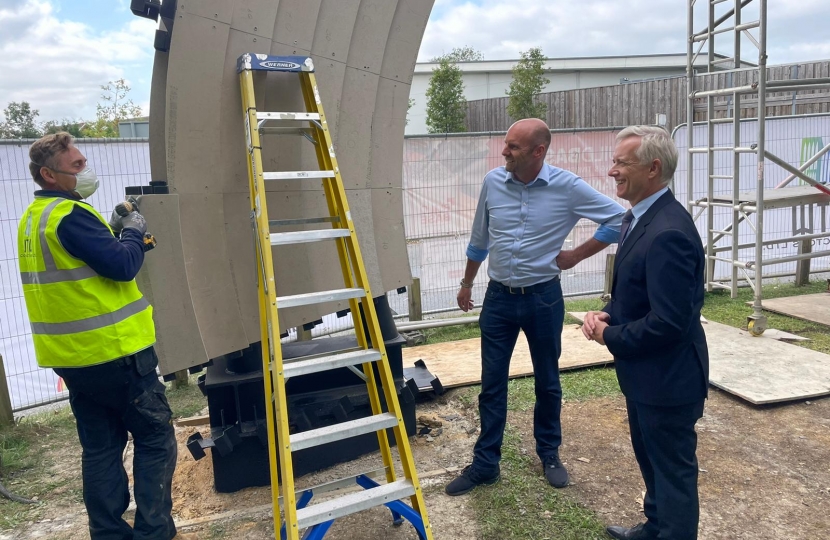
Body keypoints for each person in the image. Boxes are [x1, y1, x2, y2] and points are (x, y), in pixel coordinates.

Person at [445, 118, 626, 496]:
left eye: (513, 146)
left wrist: (575, 256)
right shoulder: (494, 182)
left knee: (548, 381)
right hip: (498, 299)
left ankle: (550, 454)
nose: (504, 152)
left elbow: (620, 219)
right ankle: (485, 464)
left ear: (538, 151)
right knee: (492, 385)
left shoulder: (567, 187)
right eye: (506, 144)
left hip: (544, 299)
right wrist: (467, 282)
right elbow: (480, 239)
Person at [17, 133, 178, 540]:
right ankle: (153, 532)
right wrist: (134, 232)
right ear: (48, 174)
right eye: (76, 166)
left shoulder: (35, 218)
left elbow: (82, 267)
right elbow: (123, 266)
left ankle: (107, 533)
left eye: (83, 162)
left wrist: (110, 230)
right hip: (117, 353)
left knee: (102, 447)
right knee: (154, 436)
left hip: (74, 360)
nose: (84, 171)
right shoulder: (71, 215)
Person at [582, 125, 709, 540]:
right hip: (647, 376)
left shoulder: (668, 230)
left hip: (669, 380)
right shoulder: (639, 217)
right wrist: (606, 315)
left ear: (653, 168)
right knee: (651, 459)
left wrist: (609, 337)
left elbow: (669, 322)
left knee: (672, 471)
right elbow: (638, 296)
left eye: (622, 162)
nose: (611, 171)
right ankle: (655, 527)